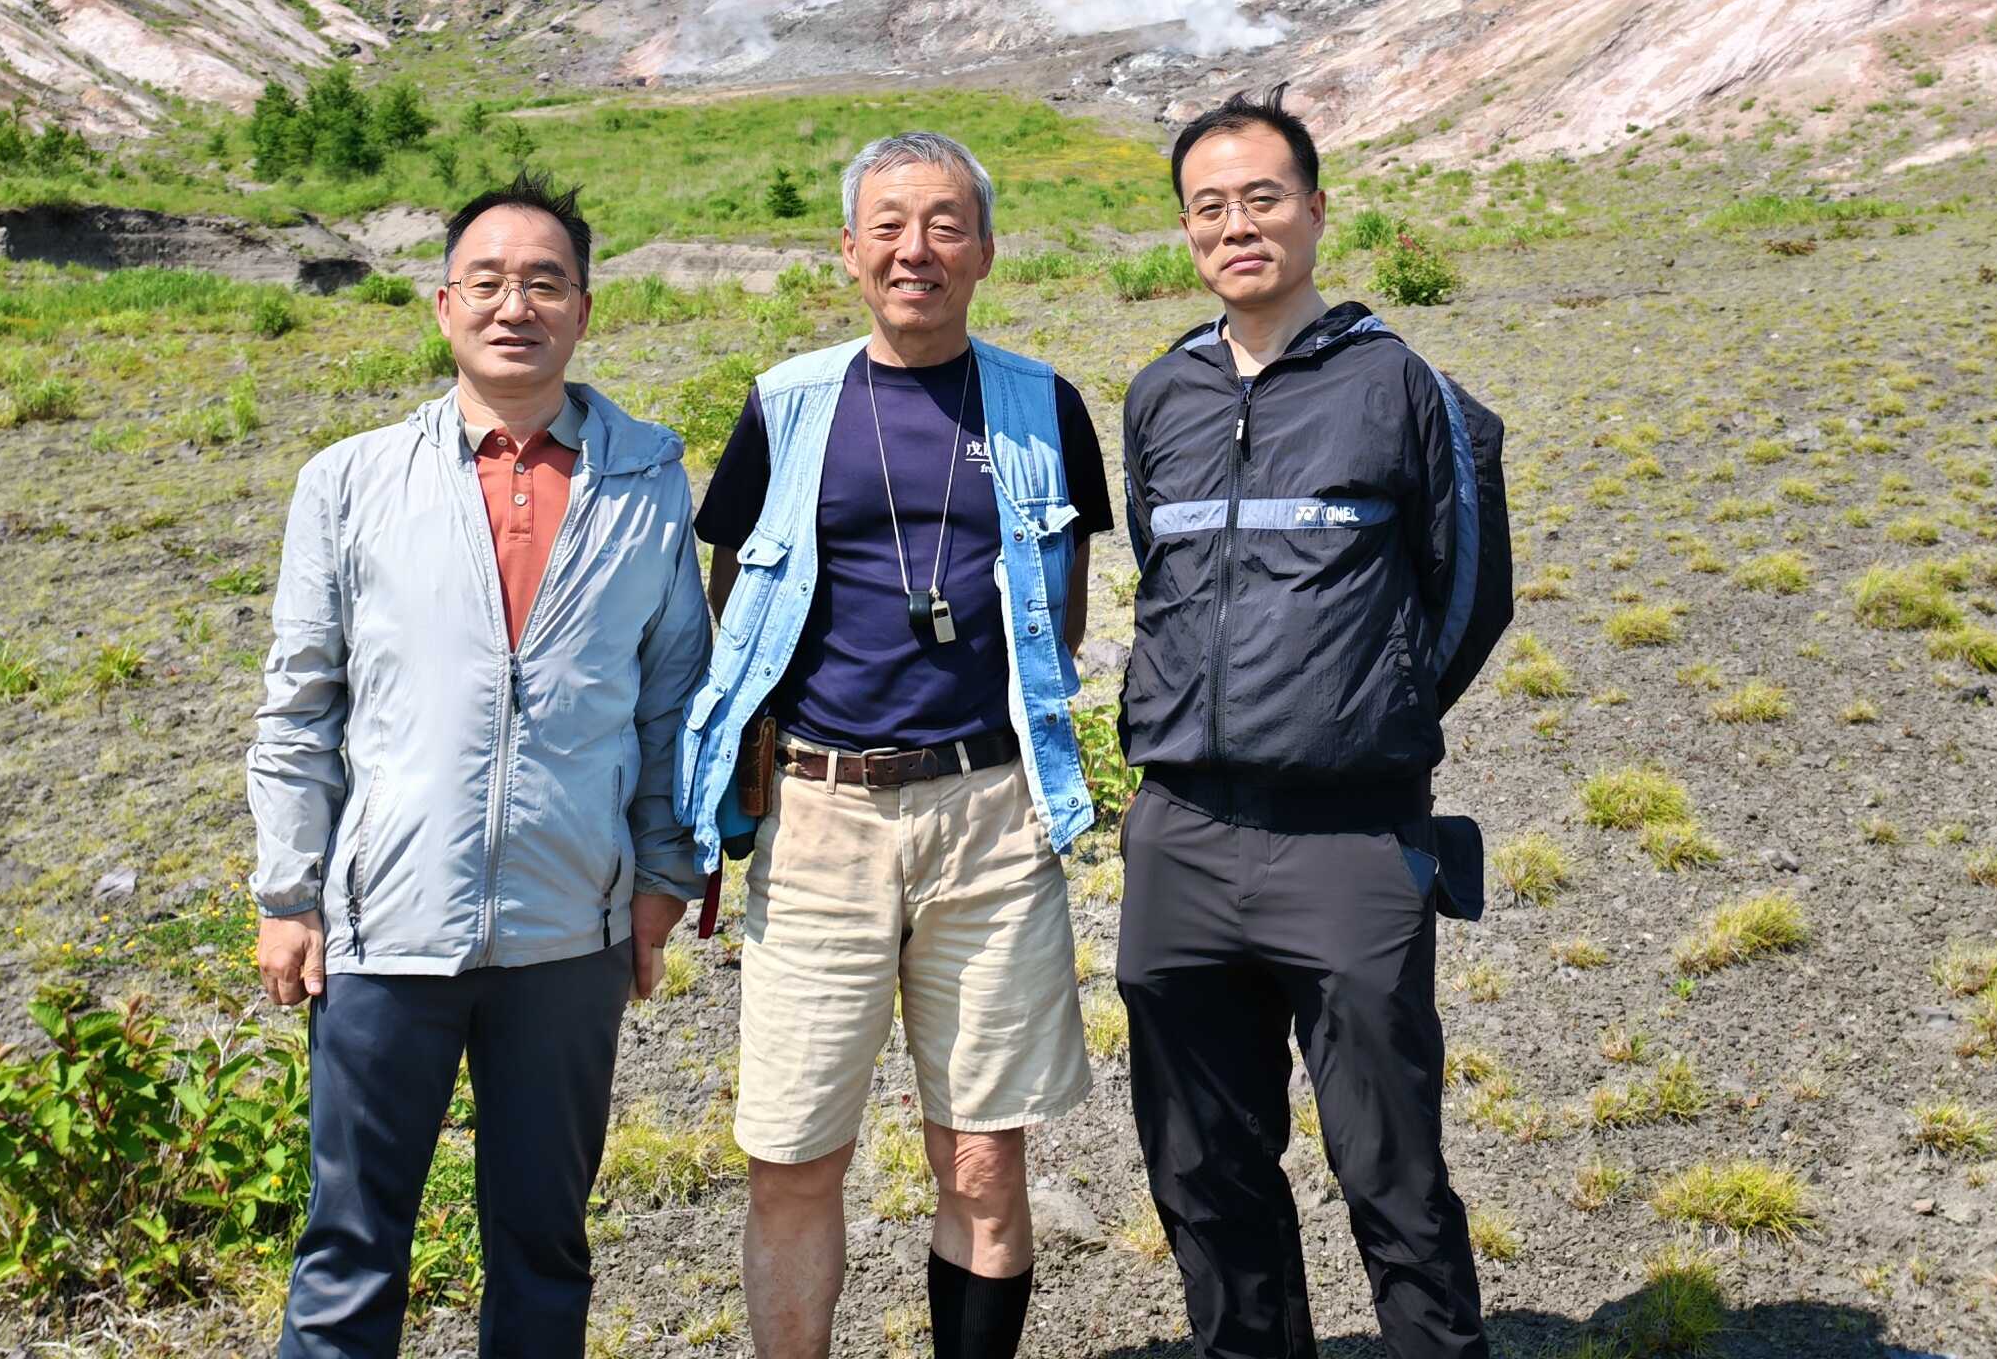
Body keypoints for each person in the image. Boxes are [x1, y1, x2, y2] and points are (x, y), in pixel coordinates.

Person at [248, 172, 710, 1359]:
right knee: (350, 1246)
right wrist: (289, 893)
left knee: (544, 1247)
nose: (517, 306)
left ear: (584, 310)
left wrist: (661, 877)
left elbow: (673, 700)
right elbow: (300, 706)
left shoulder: (648, 480)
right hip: (384, 924)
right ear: (444, 304)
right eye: (489, 281)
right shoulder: (350, 480)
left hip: (569, 928)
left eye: (545, 282)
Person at [675, 131, 1113, 1359]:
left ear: (985, 250)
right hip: (820, 818)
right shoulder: (786, 404)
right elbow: (734, 607)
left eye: (944, 224)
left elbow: (1062, 609)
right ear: (849, 250)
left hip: (989, 817)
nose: (915, 250)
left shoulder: (1042, 407)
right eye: (888, 225)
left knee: (982, 1160)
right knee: (793, 1157)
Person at [1113, 86, 1515, 1359]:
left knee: (1390, 1171)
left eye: (1261, 198)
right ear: (1187, 230)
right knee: (1201, 1169)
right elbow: (1162, 578)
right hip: (1179, 836)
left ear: (1316, 210)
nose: (1236, 226)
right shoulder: (1160, 397)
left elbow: (1470, 598)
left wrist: (1366, 714)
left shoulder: (1406, 389)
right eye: (1208, 208)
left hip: (1349, 842)